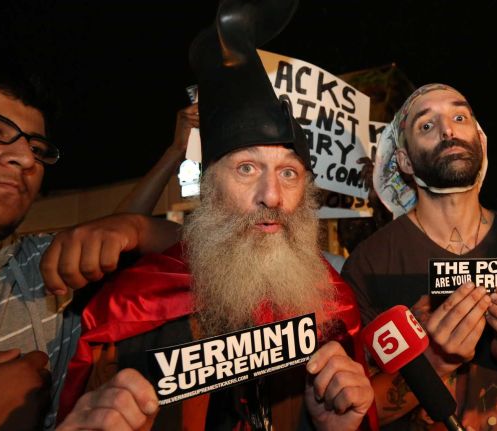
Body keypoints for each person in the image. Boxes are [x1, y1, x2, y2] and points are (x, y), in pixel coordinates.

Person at [54, 7, 374, 429]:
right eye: (247, 168)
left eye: (289, 173)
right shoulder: (128, 308)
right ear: (209, 188)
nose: (272, 196)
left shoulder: (335, 306)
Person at [342, 83, 497, 430]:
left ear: (480, 140)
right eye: (427, 125)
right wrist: (435, 361)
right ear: (405, 161)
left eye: (460, 117)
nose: (448, 130)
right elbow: (350, 414)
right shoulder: (368, 266)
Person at [0, 67, 179, 430]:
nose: (27, 160)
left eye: (37, 148)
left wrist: (137, 227)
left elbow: (192, 250)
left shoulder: (38, 273)